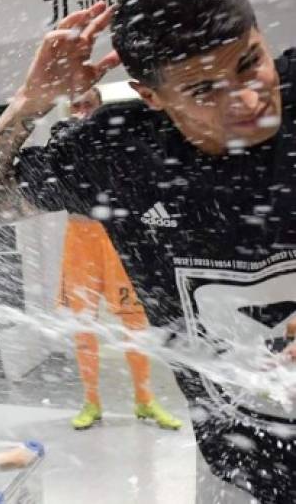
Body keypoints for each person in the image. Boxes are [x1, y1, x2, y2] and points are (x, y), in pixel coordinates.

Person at [0, 0, 295, 502]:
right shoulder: (119, 154)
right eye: (203, 90)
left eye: (250, 63)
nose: (247, 101)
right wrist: (30, 101)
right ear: (150, 96)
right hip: (237, 471)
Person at [59, 88, 181, 431]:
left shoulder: (116, 140)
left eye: (88, 105)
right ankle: (91, 402)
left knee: (135, 323)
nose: (81, 110)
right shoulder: (64, 142)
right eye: (75, 105)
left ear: (99, 108)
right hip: (79, 239)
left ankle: (145, 400)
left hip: (118, 239)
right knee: (82, 324)